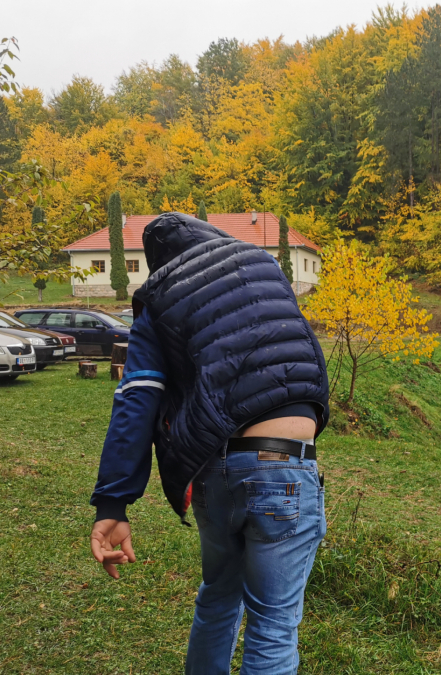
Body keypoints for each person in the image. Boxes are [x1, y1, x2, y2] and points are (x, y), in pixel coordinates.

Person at [89, 212, 330, 675]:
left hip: (216, 467)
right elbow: (307, 364)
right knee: (274, 624)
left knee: (218, 597)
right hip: (285, 463)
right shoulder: (264, 269)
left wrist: (113, 505)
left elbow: (137, 400)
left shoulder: (159, 295)